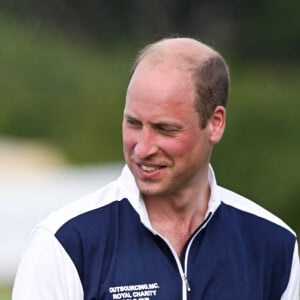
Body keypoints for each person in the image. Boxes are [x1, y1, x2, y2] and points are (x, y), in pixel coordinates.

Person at [13, 37, 299, 299]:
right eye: (134, 123)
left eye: (165, 129)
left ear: (216, 123)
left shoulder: (275, 245)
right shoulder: (64, 242)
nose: (143, 148)